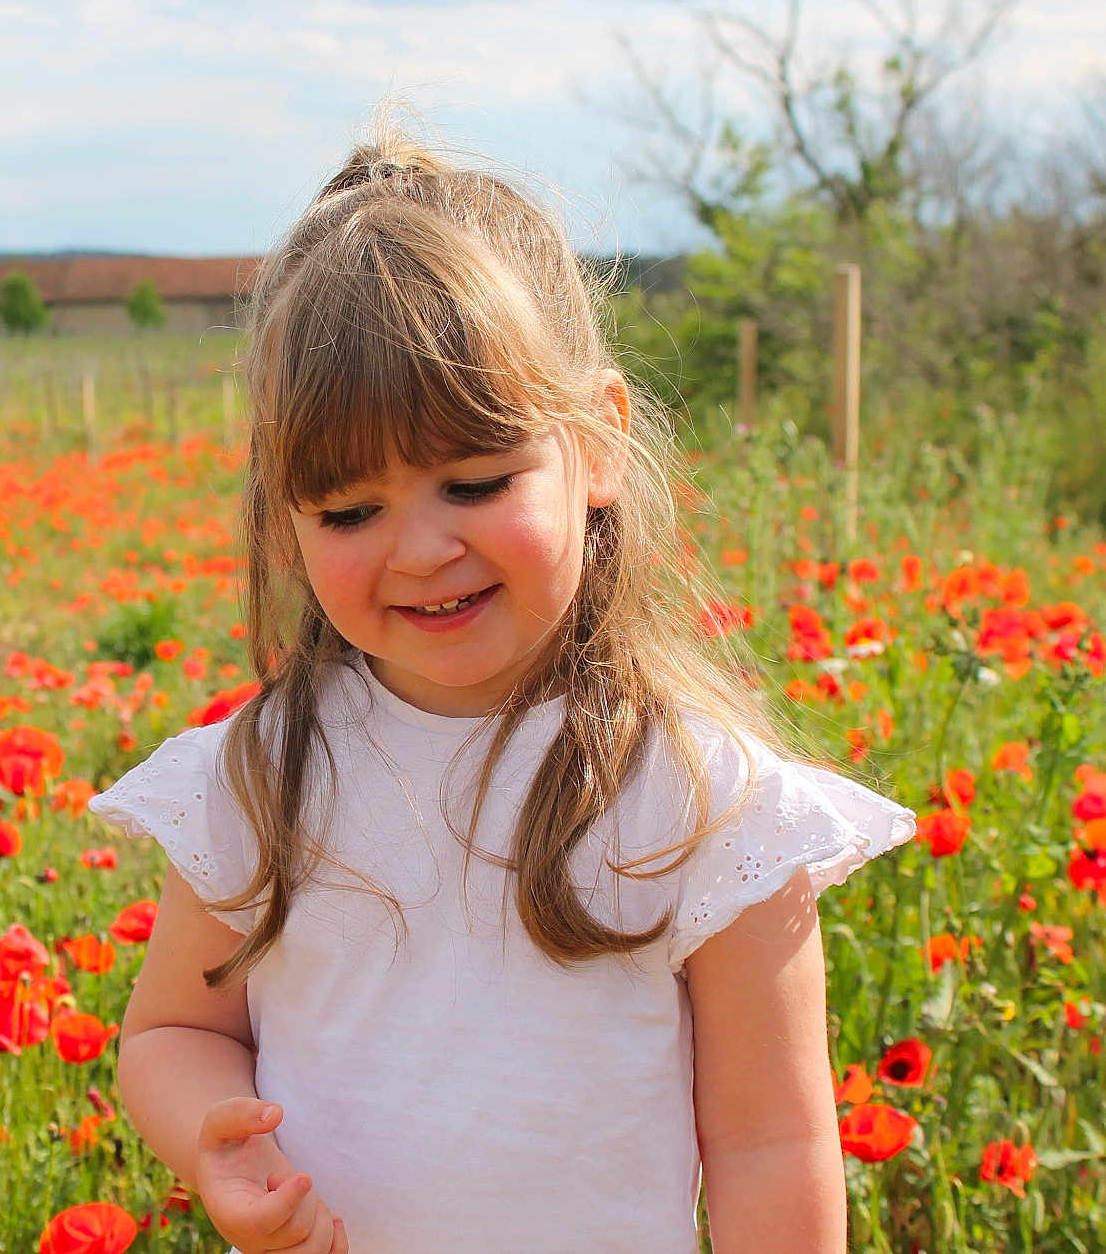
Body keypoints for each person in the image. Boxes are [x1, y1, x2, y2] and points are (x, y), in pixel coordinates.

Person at [90, 127, 916, 1254]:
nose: (420, 548)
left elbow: (771, 1139)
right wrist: (212, 1141)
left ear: (599, 447)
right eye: (347, 511)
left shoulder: (701, 798)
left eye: (474, 480)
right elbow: (176, 1029)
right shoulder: (265, 774)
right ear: (283, 526)